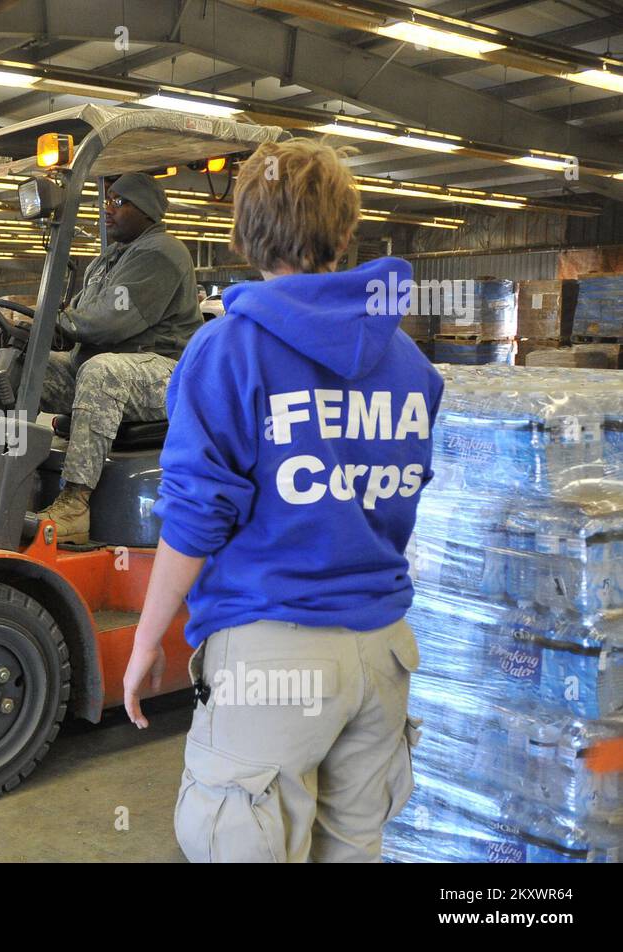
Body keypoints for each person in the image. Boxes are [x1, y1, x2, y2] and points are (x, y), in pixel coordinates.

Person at [121, 138, 444, 863]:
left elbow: (197, 515)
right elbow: (397, 497)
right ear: (345, 231)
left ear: (244, 232)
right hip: (383, 654)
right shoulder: (412, 366)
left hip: (274, 652)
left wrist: (147, 639)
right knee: (353, 849)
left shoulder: (228, 349)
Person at [37, 172, 202, 544]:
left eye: (118, 202)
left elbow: (108, 323)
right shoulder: (105, 260)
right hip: (112, 364)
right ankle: (0, 471)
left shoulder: (161, 253)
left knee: (102, 371)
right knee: (14, 369)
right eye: (106, 201)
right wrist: (29, 331)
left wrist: (51, 324)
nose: (106, 210)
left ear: (145, 210)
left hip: (163, 371)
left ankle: (75, 504)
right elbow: (77, 314)